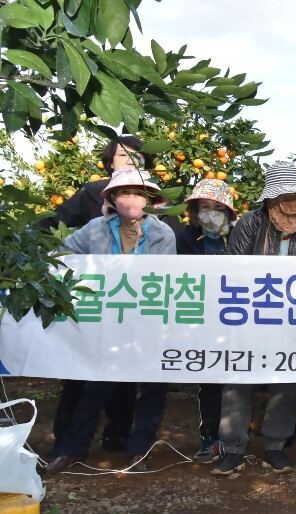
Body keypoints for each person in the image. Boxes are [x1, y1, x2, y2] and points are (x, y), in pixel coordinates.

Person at [45, 167, 177, 473]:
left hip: (149, 321)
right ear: (113, 199)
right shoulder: (96, 229)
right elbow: (62, 252)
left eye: (138, 194)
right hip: (110, 322)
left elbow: (164, 277)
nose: (131, 199)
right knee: (96, 386)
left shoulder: (162, 234)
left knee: (153, 388)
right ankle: (73, 449)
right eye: (124, 193)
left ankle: (139, 450)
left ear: (149, 200)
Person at [40, 136, 153, 458]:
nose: (130, 160)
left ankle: (117, 435)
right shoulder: (92, 198)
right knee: (83, 373)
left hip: (136, 305)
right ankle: (68, 442)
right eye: (122, 155)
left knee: (126, 376)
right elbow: (57, 227)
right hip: (94, 304)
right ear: (110, 161)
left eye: (137, 156)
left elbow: (168, 260)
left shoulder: (158, 216)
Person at [212, 161, 296, 476]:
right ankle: (233, 448)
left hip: (291, 320)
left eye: (295, 198)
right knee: (237, 379)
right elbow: (234, 269)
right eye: (282, 198)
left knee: (286, 381)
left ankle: (275, 445)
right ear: (270, 201)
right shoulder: (249, 224)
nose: (289, 205)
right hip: (248, 316)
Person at [175, 178, 238, 463]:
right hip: (202, 320)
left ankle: (234, 437)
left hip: (236, 318)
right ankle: (210, 437)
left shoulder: (237, 237)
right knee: (209, 380)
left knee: (236, 379)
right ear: (194, 211)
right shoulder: (184, 238)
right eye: (204, 207)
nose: (210, 213)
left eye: (217, 207)